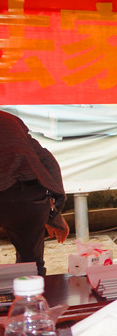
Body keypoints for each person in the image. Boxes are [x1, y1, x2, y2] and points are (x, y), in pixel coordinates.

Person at [0, 110, 69, 276]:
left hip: (21, 196)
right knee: (31, 265)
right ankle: (31, 299)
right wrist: (53, 213)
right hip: (30, 199)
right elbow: (47, 161)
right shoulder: (11, 120)